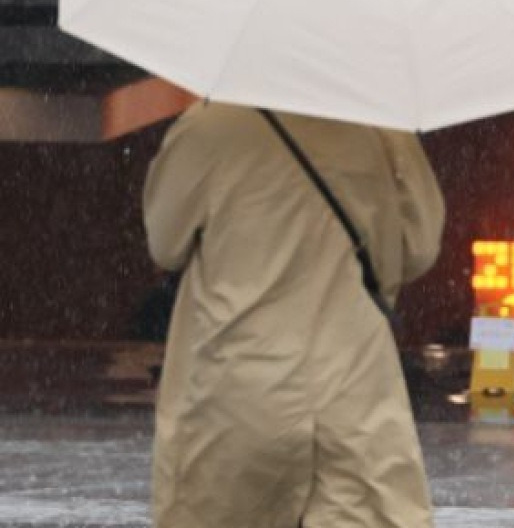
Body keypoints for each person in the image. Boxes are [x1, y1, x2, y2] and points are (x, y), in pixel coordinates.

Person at [143, 101, 445, 528]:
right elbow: (420, 248)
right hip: (352, 384)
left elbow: (165, 243)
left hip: (237, 384)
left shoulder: (209, 126)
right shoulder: (383, 125)